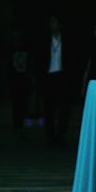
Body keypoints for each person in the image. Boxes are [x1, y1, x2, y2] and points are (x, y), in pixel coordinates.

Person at [41, 15, 71, 147]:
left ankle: (60, 134)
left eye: (55, 23)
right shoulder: (45, 40)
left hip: (62, 76)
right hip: (48, 76)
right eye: (51, 23)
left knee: (63, 106)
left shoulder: (66, 40)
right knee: (49, 107)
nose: (54, 26)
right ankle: (50, 135)